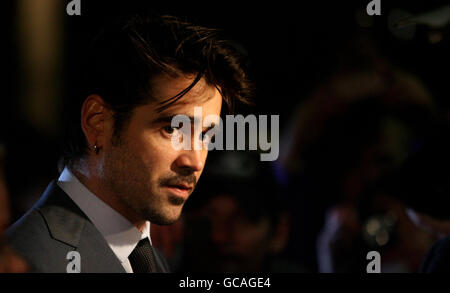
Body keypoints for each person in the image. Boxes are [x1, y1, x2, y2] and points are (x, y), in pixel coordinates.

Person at [6, 14, 252, 273]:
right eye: (172, 129)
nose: (195, 161)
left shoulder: (150, 255)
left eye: (206, 136)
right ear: (97, 122)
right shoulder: (28, 261)